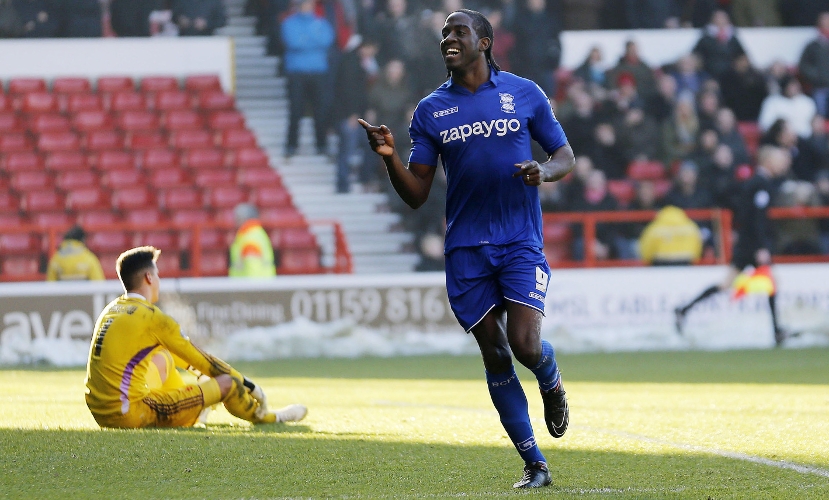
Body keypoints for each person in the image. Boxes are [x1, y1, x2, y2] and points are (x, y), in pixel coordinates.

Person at [358, 9, 574, 489]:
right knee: (495, 354)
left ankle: (550, 378)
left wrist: (547, 172)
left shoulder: (525, 93)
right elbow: (416, 193)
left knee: (524, 343)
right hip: (466, 250)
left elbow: (565, 155)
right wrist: (391, 158)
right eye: (444, 34)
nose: (448, 40)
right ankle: (534, 464)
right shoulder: (430, 110)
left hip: (519, 238)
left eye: (459, 32)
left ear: (485, 41)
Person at [85, 246, 307, 428]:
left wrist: (197, 372)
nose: (160, 281)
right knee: (227, 383)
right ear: (149, 277)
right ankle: (271, 417)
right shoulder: (153, 318)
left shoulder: (111, 309)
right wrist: (250, 386)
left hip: (101, 412)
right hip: (130, 414)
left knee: (163, 355)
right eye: (158, 275)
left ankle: (195, 407)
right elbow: (203, 360)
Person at [674, 146, 792, 346]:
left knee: (727, 284)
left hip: (748, 245)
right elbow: (756, 219)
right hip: (753, 246)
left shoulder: (756, 183)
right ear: (767, 161)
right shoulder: (760, 184)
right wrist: (761, 247)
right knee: (770, 283)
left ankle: (684, 310)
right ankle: (777, 331)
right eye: (779, 160)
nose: (783, 164)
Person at [280, 0, 334, 157]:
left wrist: (305, 39)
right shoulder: (289, 23)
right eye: (303, 4)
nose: (306, 7)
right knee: (295, 110)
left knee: (321, 111)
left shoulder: (321, 22)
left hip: (319, 73)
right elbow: (293, 42)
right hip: (297, 73)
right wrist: (314, 40)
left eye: (309, 3)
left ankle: (322, 145)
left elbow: (328, 40)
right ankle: (291, 145)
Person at [638, 205, 703, 265]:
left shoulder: (654, 227)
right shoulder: (690, 226)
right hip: (686, 263)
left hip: (660, 264)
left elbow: (645, 250)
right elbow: (698, 248)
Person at [229, 203, 276, 277]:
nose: (235, 221)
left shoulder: (249, 238)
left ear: (243, 218)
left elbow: (252, 267)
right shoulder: (257, 233)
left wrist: (251, 287)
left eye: (237, 218)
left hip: (252, 286)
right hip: (261, 285)